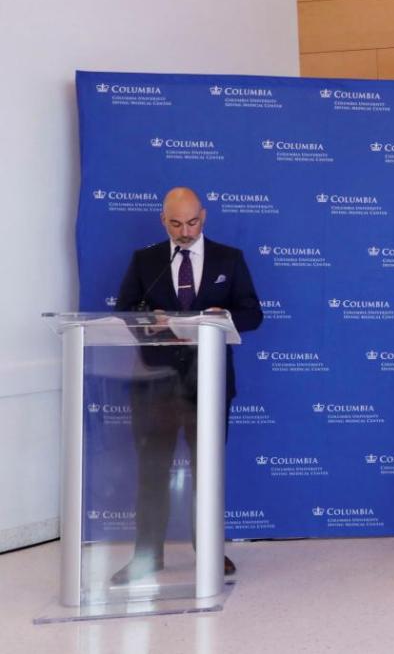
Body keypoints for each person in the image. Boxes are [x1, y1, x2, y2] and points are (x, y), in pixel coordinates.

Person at [112, 186, 262, 583]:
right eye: (176, 223)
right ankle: (147, 555)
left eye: (192, 222)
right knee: (152, 470)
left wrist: (222, 315)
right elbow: (123, 311)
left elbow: (253, 314)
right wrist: (149, 319)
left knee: (207, 471)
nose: (185, 231)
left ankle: (210, 552)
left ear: (204, 216)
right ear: (163, 220)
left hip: (208, 383)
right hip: (154, 385)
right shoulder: (145, 261)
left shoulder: (230, 258)